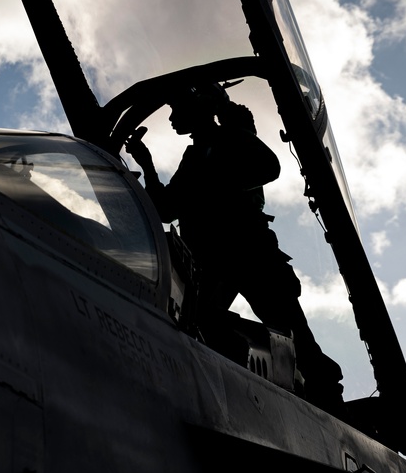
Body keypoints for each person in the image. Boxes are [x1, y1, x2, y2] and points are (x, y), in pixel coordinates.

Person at [124, 82, 343, 411]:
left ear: (201, 108)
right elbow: (168, 208)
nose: (171, 118)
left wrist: (227, 116)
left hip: (249, 254)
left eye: (177, 109)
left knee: (300, 345)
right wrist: (146, 163)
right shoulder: (194, 154)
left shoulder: (229, 140)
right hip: (211, 261)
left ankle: (331, 408)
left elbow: (268, 167)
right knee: (194, 323)